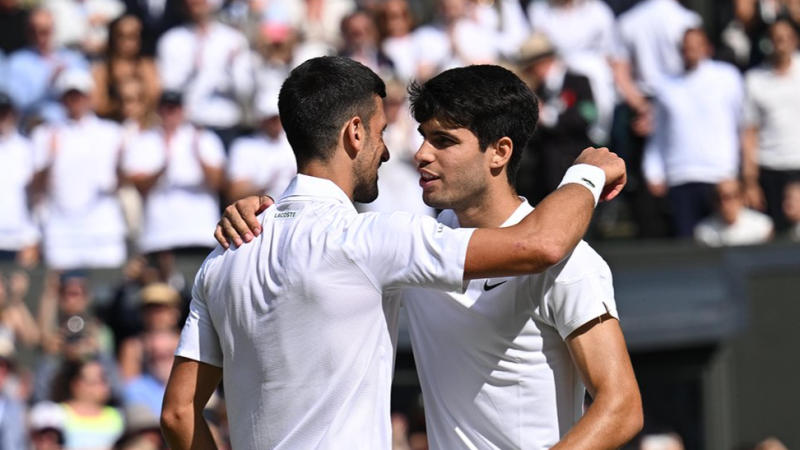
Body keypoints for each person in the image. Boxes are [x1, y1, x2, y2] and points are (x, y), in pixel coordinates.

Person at [160, 56, 626, 449]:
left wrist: (259, 213)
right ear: (354, 134)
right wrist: (586, 174)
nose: (414, 154)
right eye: (412, 135)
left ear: (500, 152)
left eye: (442, 141)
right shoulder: (393, 245)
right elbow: (538, 243)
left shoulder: (226, 255)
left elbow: (620, 406)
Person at [643, 28, 744, 237]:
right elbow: (660, 133)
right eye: (686, 47)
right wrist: (653, 169)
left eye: (696, 46)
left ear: (707, 48)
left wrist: (738, 170)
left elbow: (741, 124)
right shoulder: (667, 87)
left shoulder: (727, 78)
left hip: (720, 174)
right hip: (681, 176)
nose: (691, 51)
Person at [31, 68, 127, 270]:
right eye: (70, 96)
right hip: (61, 230)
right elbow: (36, 185)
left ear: (90, 97)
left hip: (103, 227)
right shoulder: (45, 134)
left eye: (80, 95)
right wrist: (50, 158)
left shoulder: (113, 133)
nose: (75, 101)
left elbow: (122, 180)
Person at [122, 90, 225, 256]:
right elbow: (137, 183)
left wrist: (198, 156)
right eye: (166, 108)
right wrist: (162, 167)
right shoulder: (144, 140)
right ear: (158, 111)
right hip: (159, 235)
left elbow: (218, 183)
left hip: (199, 233)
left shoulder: (203, 138)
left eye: (174, 108)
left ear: (183, 110)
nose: (170, 114)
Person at [516, 34, 597, 204]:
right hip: (545, 167)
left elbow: (586, 117)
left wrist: (546, 116)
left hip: (572, 160)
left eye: (532, 68)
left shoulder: (578, 82)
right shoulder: (537, 89)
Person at [741, 18, 800, 232]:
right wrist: (750, 181)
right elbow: (750, 132)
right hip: (770, 167)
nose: (781, 43)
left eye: (786, 38)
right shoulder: (755, 80)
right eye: (776, 39)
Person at [694, 178, 773, 246]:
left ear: (741, 198)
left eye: (729, 197)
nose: (724, 204)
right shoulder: (704, 232)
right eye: (719, 199)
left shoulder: (762, 226)